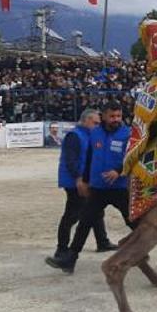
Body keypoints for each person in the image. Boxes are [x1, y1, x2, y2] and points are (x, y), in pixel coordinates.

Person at [45, 102, 134, 273]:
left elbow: (132, 158)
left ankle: (143, 247)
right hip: (98, 188)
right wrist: (84, 180)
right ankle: (70, 260)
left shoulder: (127, 134)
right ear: (104, 116)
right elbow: (89, 159)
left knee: (132, 220)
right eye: (112, 116)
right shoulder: (95, 133)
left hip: (119, 187)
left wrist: (118, 171)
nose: (116, 119)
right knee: (84, 223)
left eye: (118, 116)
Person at [49, 109, 116, 261]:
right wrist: (79, 179)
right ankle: (61, 249)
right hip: (75, 182)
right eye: (95, 123)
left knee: (95, 210)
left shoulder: (88, 135)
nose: (98, 126)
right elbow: (71, 160)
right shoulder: (75, 135)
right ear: (85, 121)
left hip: (85, 180)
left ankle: (102, 241)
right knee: (72, 215)